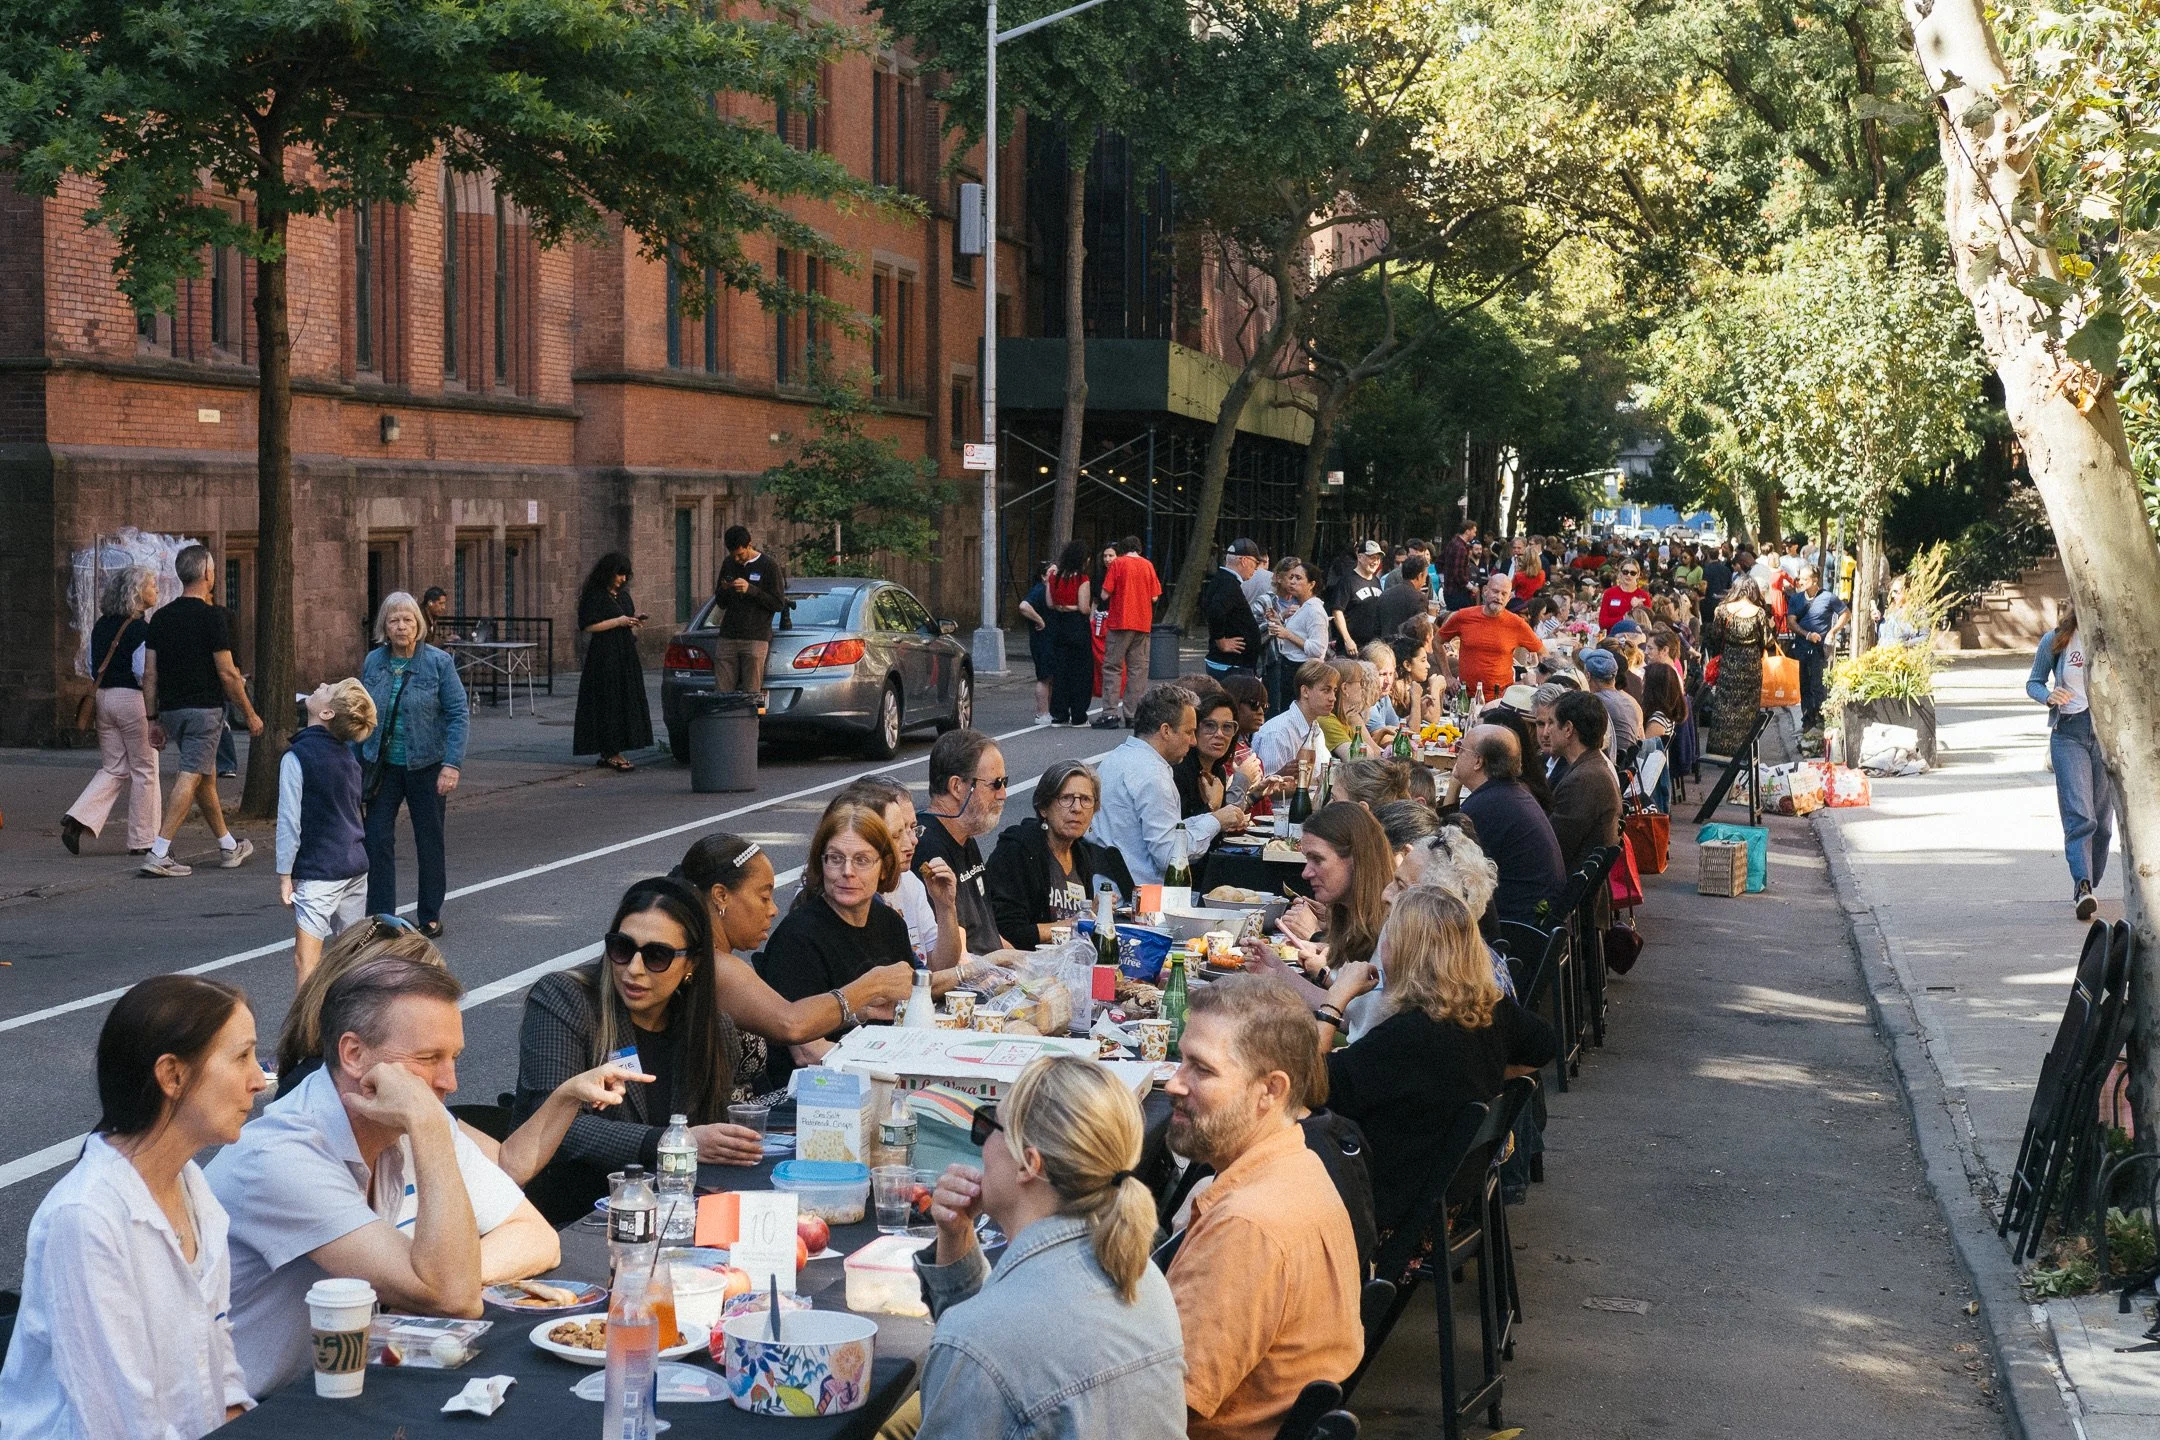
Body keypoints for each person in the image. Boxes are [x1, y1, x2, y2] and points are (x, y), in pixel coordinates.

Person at [210, 955, 559, 1396]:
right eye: (428, 1058)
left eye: (453, 1057)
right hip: (249, 1413)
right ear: (354, 1054)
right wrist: (430, 1130)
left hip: (337, 1387)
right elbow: (453, 1297)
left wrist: (443, 1273)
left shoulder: (412, 1116)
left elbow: (536, 1236)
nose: (449, 1081)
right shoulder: (280, 1156)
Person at [0, 975, 264, 1437]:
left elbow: (218, 1369)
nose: (259, 1080)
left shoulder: (190, 1185)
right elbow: (119, 1424)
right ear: (172, 1076)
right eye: (241, 1057)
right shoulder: (86, 1218)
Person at [911, 1056, 1184, 1440]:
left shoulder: (977, 1342)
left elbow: (984, 1349)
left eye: (988, 1126)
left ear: (1028, 1164)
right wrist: (956, 1237)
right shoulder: (1142, 1276)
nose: (982, 1144)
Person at [276, 917, 644, 1186]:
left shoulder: (397, 1089)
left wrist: (567, 1095)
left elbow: (504, 1165)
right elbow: (419, 1276)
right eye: (427, 1055)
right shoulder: (317, 1102)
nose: (449, 1082)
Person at [1160, 975, 1362, 1440]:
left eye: (1201, 1069)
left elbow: (1162, 1404)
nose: (1174, 1083)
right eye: (1181, 1060)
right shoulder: (1299, 1162)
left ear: (1269, 1090)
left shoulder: (1246, 1228)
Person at [514, 877, 766, 1221]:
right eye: (622, 948)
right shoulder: (564, 999)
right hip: (565, 1218)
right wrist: (670, 1142)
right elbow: (550, 1125)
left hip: (667, 1219)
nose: (633, 969)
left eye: (657, 956)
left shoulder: (714, 1030)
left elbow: (708, 1143)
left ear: (691, 964)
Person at [1314, 887, 1555, 1238]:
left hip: (1383, 1212)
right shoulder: (1490, 1012)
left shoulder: (1407, 1037)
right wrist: (1485, 1072)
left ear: (1405, 951)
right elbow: (1544, 1045)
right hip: (1449, 1204)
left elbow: (1312, 1087)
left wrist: (1335, 1001)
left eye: (1388, 937)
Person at [677, 831, 915, 1072]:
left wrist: (857, 1012)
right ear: (721, 896)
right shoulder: (718, 965)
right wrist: (871, 985)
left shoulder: (715, 959)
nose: (773, 909)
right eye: (764, 897)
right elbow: (791, 1024)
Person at [760, 802, 918, 1087]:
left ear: (884, 867)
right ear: (821, 864)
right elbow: (805, 1051)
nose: (847, 871)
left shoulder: (890, 924)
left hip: (884, 1074)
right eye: (835, 858)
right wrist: (885, 1073)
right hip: (814, 1091)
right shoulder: (798, 937)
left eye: (861, 860)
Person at [139, 544, 264, 878]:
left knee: (205, 777)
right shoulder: (213, 618)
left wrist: (152, 718)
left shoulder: (160, 618)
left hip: (171, 711)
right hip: (204, 711)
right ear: (208, 574)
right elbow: (227, 673)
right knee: (191, 774)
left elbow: (149, 674)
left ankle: (227, 845)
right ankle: (159, 850)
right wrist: (250, 714)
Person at [359, 591, 470, 939]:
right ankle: (381, 917)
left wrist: (452, 764)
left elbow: (458, 714)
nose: (401, 626)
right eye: (394, 621)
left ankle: (430, 913)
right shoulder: (373, 662)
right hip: (382, 767)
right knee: (376, 839)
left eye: (407, 619)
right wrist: (352, 763)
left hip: (427, 765)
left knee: (429, 839)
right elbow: (359, 714)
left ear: (418, 624)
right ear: (385, 627)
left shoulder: (438, 663)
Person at [1090, 685, 1246, 885]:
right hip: (1141, 900)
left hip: (1115, 888)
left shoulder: (1117, 758)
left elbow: (1168, 832)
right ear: (1166, 731)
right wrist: (1215, 821)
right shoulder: (1153, 776)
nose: (1192, 741)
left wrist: (1212, 817)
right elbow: (1170, 856)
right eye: (1189, 732)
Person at [278, 679, 379, 983]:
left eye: (328, 690)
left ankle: (306, 1031)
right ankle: (350, 1019)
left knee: (306, 962)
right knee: (351, 957)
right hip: (355, 864)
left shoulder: (297, 757)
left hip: (319, 871)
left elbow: (289, 821)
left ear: (326, 714)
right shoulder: (349, 760)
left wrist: (285, 874)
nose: (321, 685)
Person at [62, 566, 161, 857]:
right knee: (145, 769)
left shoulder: (102, 625)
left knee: (114, 767)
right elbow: (145, 674)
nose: (156, 590)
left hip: (103, 698)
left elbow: (93, 664)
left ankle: (78, 818)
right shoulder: (142, 630)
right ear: (136, 593)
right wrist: (156, 709)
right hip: (133, 700)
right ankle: (143, 839)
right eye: (151, 586)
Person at [2028, 600, 2115, 920]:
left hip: (2105, 737)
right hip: (2069, 735)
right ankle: (2082, 886)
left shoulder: (2112, 639)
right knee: (2082, 817)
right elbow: (2033, 682)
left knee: (2103, 827)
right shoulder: (2057, 639)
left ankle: (2090, 881)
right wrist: (2047, 695)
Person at [986, 761, 1135, 947]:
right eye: (1066, 798)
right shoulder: (1018, 851)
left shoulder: (1080, 854)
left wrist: (1094, 914)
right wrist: (1077, 923)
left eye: (1086, 800)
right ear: (1043, 808)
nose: (1077, 808)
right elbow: (1007, 931)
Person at [835, 776, 965, 974]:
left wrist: (945, 906)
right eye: (897, 834)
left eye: (913, 828)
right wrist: (972, 971)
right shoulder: (846, 894)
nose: (913, 841)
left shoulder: (909, 881)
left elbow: (939, 966)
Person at [1453, 725, 1566, 924]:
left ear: (1478, 761)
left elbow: (1450, 869)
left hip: (1516, 927)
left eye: (1461, 749)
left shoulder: (1486, 807)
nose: (1456, 754)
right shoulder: (1511, 794)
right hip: (1535, 916)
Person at [916, 728, 1008, 954]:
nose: (1003, 794)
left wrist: (1032, 963)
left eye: (1004, 782)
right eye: (995, 784)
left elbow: (988, 936)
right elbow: (955, 954)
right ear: (957, 787)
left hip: (990, 972)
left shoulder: (964, 836)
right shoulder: (927, 849)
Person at [573, 551, 653, 770]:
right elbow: (588, 626)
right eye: (619, 575)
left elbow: (625, 617)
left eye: (625, 575)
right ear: (608, 573)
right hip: (604, 654)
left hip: (625, 652)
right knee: (608, 700)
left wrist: (633, 621)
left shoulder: (623, 596)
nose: (623, 579)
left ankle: (619, 747)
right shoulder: (595, 596)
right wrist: (617, 621)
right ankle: (609, 751)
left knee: (625, 699)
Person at [1539, 691, 1621, 874]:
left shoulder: (1584, 781)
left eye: (1551, 723)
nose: (1545, 732)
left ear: (1568, 729)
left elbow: (1552, 848)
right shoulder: (1590, 767)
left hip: (1564, 890)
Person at [1438, 573, 1544, 702]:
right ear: (1485, 591)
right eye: (1495, 591)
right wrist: (1448, 676)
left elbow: (1543, 653)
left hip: (1501, 700)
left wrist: (1530, 682)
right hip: (1466, 697)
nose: (1499, 597)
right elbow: (1437, 642)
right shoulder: (1463, 617)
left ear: (1509, 598)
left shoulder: (1517, 624)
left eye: (1504, 594)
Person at [710, 525, 788, 699]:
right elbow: (720, 603)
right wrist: (724, 589)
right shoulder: (728, 564)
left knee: (751, 692)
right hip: (728, 635)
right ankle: (724, 724)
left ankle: (750, 725)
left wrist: (751, 590)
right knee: (722, 691)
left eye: (741, 554)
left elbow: (777, 603)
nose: (737, 559)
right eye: (733, 555)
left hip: (755, 637)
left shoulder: (768, 566)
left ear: (749, 545)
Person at [1703, 575, 1771, 757]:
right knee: (1748, 709)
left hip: (1729, 663)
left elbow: (1715, 636)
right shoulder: (1759, 613)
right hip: (1751, 665)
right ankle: (1744, 750)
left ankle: (1720, 748)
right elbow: (1767, 640)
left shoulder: (1723, 610)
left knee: (1724, 705)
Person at [1098, 536, 1162, 726]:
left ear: (1123, 549)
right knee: (1138, 670)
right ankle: (1133, 714)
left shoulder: (1118, 564)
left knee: (1112, 667)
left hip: (1120, 621)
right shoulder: (1147, 565)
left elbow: (1104, 593)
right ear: (1139, 549)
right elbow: (1155, 597)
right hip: (1142, 622)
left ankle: (1110, 713)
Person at [1174, 691, 1259, 828]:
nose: (1219, 734)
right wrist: (1212, 806)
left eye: (1227, 727)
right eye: (1209, 726)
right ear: (1195, 729)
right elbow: (1178, 834)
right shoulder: (1179, 770)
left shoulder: (1218, 771)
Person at [1263, 559, 1330, 712]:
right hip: (1290, 668)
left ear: (1311, 584)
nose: (1292, 582)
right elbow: (1296, 632)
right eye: (1291, 577)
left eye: (1298, 578)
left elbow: (1318, 649)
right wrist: (1278, 619)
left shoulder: (1315, 610)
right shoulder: (1301, 607)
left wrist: (1287, 634)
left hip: (1302, 670)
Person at [1252, 659, 1338, 776]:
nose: (1333, 698)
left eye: (1334, 691)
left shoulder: (1315, 729)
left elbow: (1323, 776)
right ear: (1305, 691)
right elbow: (1269, 791)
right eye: (1326, 690)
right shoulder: (1277, 733)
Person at [1043, 541, 1095, 727]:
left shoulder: (1054, 578)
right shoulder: (1082, 579)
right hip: (1077, 625)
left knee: (1061, 670)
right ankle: (1079, 714)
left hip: (1058, 624)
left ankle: (1059, 713)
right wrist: (1090, 608)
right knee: (1080, 671)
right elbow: (1083, 607)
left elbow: (1049, 603)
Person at [1790, 565, 1848, 730]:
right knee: (1804, 684)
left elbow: (1845, 613)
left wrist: (1833, 631)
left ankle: (1821, 719)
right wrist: (1807, 635)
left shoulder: (1828, 597)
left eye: (1805, 579)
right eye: (1800, 578)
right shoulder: (1796, 599)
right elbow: (1791, 622)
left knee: (1818, 684)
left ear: (1815, 580)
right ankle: (1808, 718)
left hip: (1819, 648)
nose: (1801, 582)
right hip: (1802, 646)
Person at [1202, 539, 1266, 680]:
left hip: (1232, 664)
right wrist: (1221, 641)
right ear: (1244, 560)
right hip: (1232, 667)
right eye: (1255, 563)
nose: (1256, 569)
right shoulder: (1229, 584)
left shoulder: (1222, 580)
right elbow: (1215, 611)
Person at [1581, 648, 1643, 763]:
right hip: (1626, 767)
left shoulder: (1596, 703)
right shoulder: (1627, 700)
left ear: (1588, 676)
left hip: (1613, 768)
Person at [1327, 541, 1388, 654]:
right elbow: (1337, 611)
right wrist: (1347, 639)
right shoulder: (1347, 581)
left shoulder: (1376, 581)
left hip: (1372, 646)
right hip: (1352, 648)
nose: (1375, 561)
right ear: (1360, 557)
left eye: (1378, 558)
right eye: (1371, 557)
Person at [1019, 564, 1055, 725]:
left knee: (1051, 676)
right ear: (1043, 576)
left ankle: (1049, 711)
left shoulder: (1050, 591)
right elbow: (1024, 606)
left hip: (1050, 639)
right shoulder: (1039, 590)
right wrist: (1039, 620)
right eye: (1051, 572)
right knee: (1044, 676)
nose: (1055, 575)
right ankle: (1042, 712)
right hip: (1042, 640)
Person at [1371, 554, 1431, 638]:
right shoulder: (1419, 599)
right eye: (1425, 577)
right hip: (1407, 648)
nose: (1425, 581)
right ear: (1419, 576)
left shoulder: (1384, 595)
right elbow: (1420, 633)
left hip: (1384, 646)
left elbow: (1376, 629)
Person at [1436, 518, 1479, 611]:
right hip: (1458, 592)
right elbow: (1458, 573)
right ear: (1467, 531)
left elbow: (1439, 562)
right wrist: (1471, 587)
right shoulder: (1461, 548)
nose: (1475, 535)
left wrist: (1443, 581)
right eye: (1474, 532)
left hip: (1449, 590)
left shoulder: (1452, 543)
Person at [1598, 557, 1648, 630]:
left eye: (1633, 573)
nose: (1628, 575)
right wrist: (1624, 618)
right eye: (1625, 572)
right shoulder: (1609, 593)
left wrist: (1637, 609)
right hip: (1613, 638)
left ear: (1638, 575)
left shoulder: (1643, 596)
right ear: (1620, 573)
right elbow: (1602, 623)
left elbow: (1646, 625)